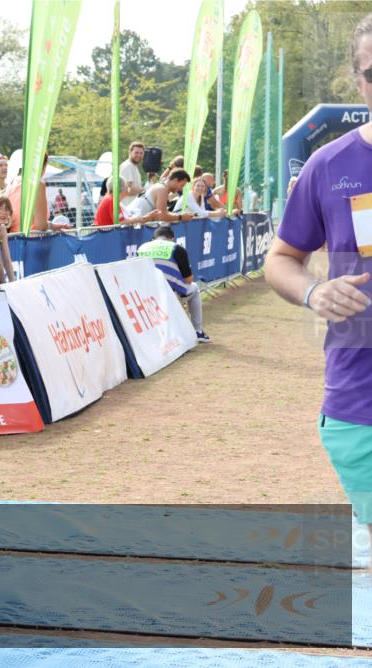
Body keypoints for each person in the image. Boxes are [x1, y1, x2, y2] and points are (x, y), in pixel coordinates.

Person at [265, 13, 372, 544]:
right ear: (358, 81)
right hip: (361, 399)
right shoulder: (329, 165)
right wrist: (314, 290)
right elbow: (281, 257)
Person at [138, 225, 211, 343]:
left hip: (145, 294)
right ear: (172, 238)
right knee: (195, 287)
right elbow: (188, 279)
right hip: (168, 293)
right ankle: (198, 331)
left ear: (154, 238)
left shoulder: (142, 248)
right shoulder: (177, 248)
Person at [124, 169, 195, 223]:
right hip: (130, 221)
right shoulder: (162, 190)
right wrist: (181, 217)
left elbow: (164, 213)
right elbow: (162, 216)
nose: (180, 189)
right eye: (181, 185)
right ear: (175, 180)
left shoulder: (161, 187)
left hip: (132, 220)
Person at [119, 141, 145, 208]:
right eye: (136, 153)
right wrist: (144, 190)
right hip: (127, 207)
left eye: (141, 153)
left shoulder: (133, 166)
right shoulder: (128, 166)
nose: (139, 155)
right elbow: (127, 190)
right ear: (130, 152)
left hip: (131, 207)